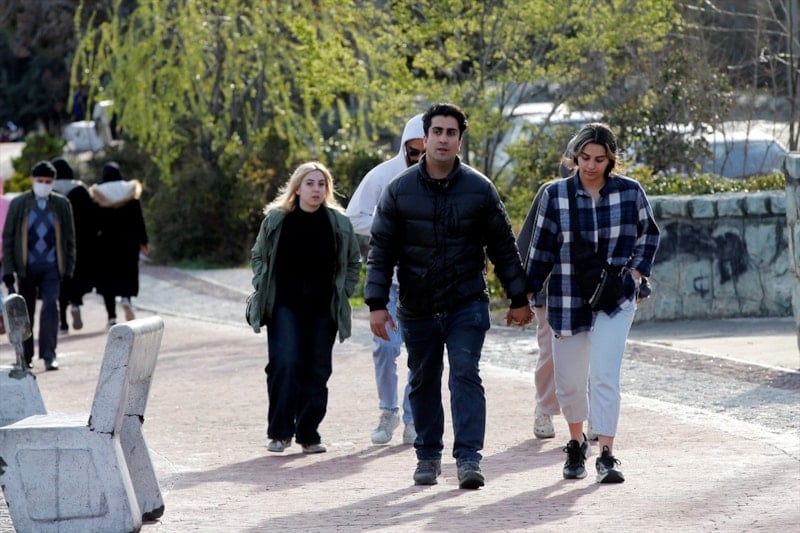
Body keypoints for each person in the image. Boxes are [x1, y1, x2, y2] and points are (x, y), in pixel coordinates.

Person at [364, 103, 532, 490]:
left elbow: (503, 247)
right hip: (417, 304)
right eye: (436, 132)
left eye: (450, 133)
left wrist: (518, 297)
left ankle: (469, 458)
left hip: (466, 301)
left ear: (460, 139)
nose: (443, 139)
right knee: (423, 379)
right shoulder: (398, 190)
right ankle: (427, 456)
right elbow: (381, 251)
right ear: (425, 139)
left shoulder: (479, 188)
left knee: (464, 373)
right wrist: (376, 304)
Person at [524, 122, 660, 484]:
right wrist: (526, 294)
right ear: (575, 157)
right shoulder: (555, 195)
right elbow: (540, 248)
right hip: (567, 296)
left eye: (599, 159)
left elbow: (649, 234)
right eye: (585, 157)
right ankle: (576, 442)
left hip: (616, 299)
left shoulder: (630, 192)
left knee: (604, 374)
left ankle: (607, 454)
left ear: (610, 160)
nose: (590, 165)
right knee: (569, 380)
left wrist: (635, 275)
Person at [248, 161, 361, 455]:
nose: (316, 189)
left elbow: (353, 262)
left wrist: (345, 291)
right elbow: (258, 255)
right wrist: (261, 281)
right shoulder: (277, 220)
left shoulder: (338, 223)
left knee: (317, 369)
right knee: (284, 363)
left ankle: (308, 433)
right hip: (284, 306)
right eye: (310, 183)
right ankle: (279, 432)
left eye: (321, 184)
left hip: (323, 309)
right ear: (297, 188)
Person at [346, 113, 424, 446]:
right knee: (385, 347)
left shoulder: (449, 177)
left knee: (421, 353)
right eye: (413, 151)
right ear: (404, 147)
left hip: (427, 283)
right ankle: (388, 410)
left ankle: (412, 417)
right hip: (390, 280)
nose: (419, 158)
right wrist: (388, 226)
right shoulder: (383, 175)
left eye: (425, 151)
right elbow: (354, 216)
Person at [2, 161, 76, 370]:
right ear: (32, 180)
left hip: (52, 266)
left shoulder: (61, 204)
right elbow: (8, 237)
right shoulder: (19, 204)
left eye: (48, 181)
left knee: (51, 305)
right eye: (40, 180)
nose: (44, 185)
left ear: (53, 182)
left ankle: (49, 354)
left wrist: (68, 270)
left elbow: (70, 239)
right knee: (26, 311)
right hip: (26, 267)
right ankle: (25, 355)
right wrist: (8, 271)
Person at [89, 161, 150, 328]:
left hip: (105, 243)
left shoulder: (98, 193)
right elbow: (139, 220)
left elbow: (93, 224)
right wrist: (144, 241)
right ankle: (126, 299)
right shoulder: (130, 191)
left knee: (107, 279)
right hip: (129, 241)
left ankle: (111, 317)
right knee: (127, 273)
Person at [51, 157, 98, 333]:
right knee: (77, 274)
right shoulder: (80, 190)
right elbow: (92, 219)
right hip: (80, 243)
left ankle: (62, 322)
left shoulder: (50, 192)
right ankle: (76, 303)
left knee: (59, 280)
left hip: (55, 245)